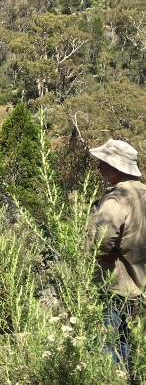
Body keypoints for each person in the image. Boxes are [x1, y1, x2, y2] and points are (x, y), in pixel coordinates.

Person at [88, 139, 146, 368]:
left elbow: (99, 242)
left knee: (109, 348)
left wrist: (95, 254)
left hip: (116, 288)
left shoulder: (117, 199)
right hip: (140, 286)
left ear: (117, 166)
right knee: (134, 348)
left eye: (104, 162)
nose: (99, 166)